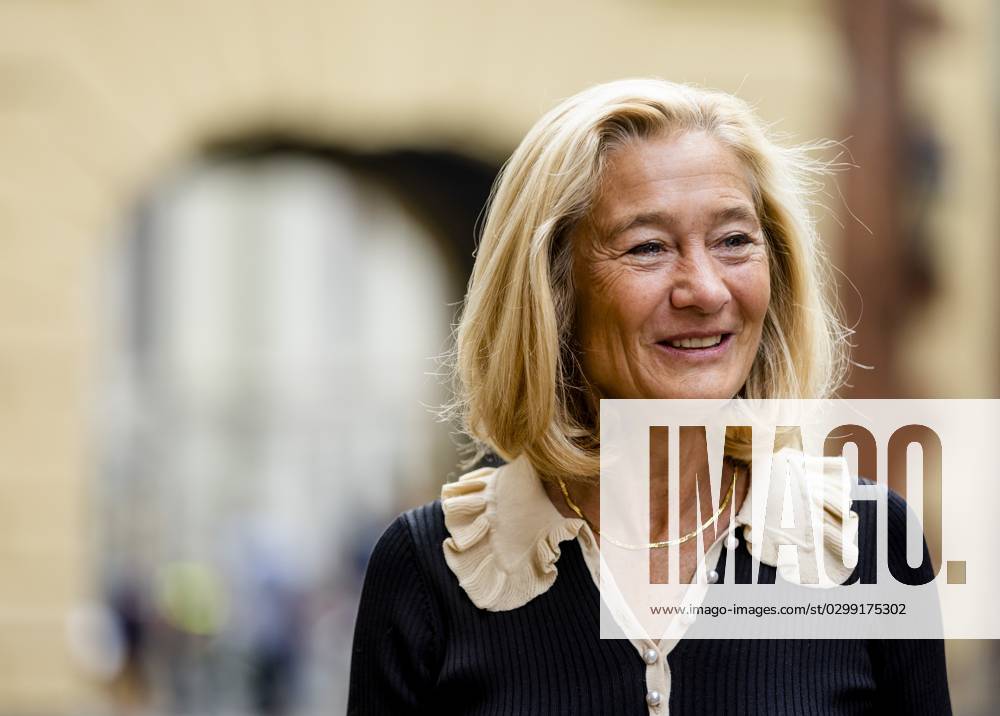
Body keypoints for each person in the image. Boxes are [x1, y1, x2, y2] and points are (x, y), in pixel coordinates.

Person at [346, 78, 952, 714]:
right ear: (552, 292)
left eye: (733, 240)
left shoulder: (868, 545)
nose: (706, 289)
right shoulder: (432, 570)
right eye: (649, 247)